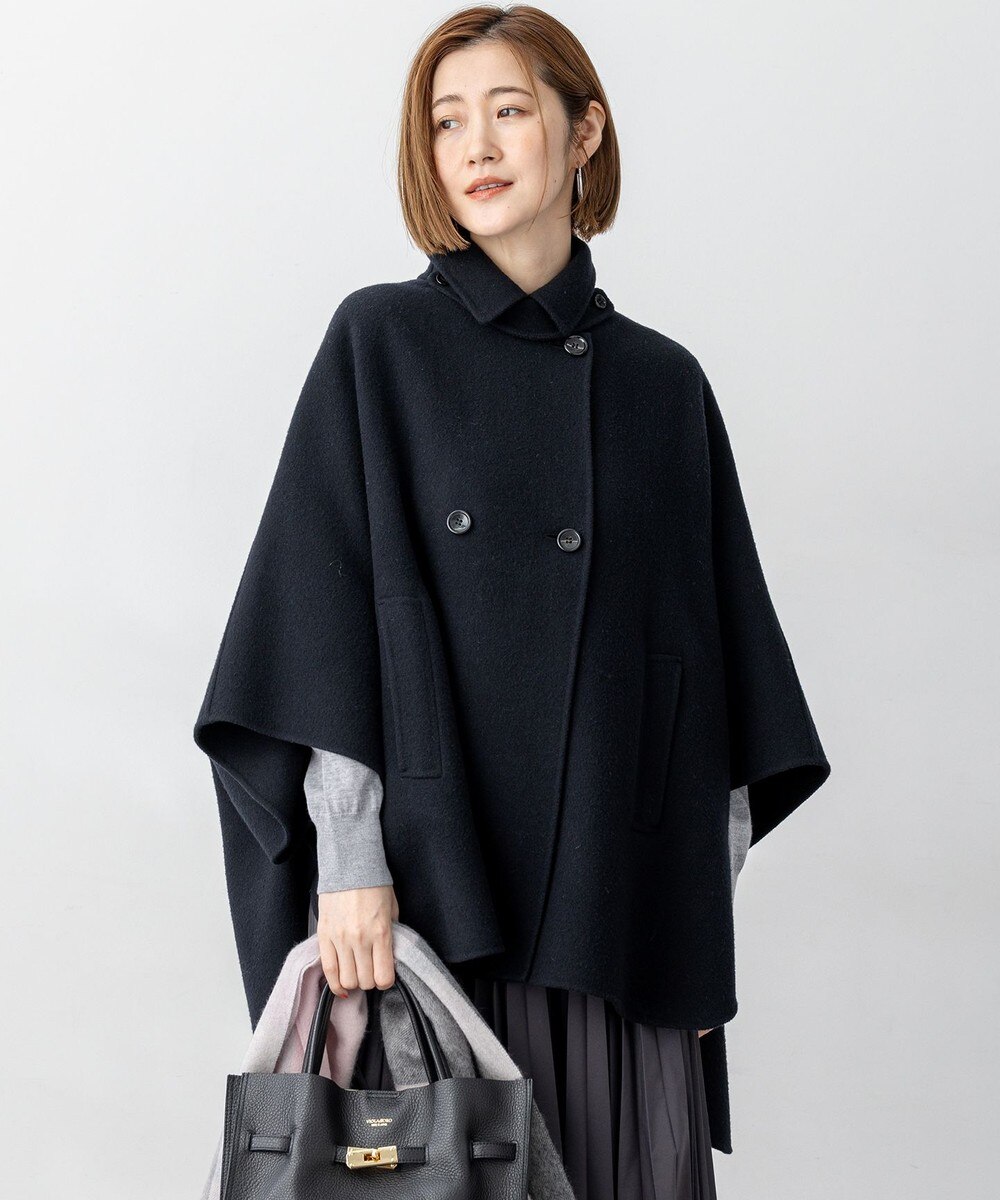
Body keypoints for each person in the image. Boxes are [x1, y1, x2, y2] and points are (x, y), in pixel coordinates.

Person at [193, 7, 830, 1198]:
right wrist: (349, 863)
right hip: (437, 921)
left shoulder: (663, 387)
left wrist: (696, 930)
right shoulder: (379, 343)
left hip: (621, 929)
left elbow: (718, 692)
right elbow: (321, 623)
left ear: (583, 132)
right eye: (445, 123)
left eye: (507, 111)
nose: (475, 147)